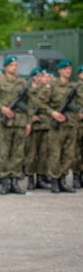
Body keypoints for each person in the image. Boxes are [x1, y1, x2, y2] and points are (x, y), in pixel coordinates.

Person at [0, 55, 31, 194]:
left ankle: (15, 182)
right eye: (12, 65)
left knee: (18, 153)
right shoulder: (0, 83)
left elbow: (30, 104)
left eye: (16, 65)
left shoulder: (23, 83)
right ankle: (5, 182)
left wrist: (28, 122)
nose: (14, 67)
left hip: (20, 122)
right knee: (4, 153)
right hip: (4, 123)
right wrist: (2, 108)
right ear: (5, 67)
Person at [44, 59, 78, 192]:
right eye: (65, 69)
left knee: (69, 155)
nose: (68, 71)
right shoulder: (52, 86)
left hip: (71, 124)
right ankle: (54, 181)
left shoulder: (74, 87)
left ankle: (63, 180)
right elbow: (41, 103)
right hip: (57, 126)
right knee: (55, 154)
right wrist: (53, 113)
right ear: (59, 70)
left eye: (69, 68)